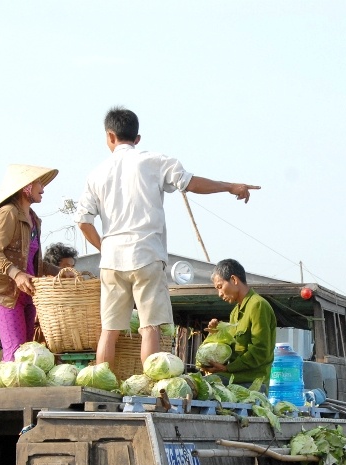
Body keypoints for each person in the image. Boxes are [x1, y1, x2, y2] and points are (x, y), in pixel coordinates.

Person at [75, 107, 260, 367]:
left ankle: (101, 383)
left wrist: (105, 248)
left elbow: (83, 222)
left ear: (109, 136)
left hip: (112, 259)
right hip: (147, 254)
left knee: (110, 329)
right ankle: (151, 386)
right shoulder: (154, 161)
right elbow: (191, 183)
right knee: (149, 327)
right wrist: (230, 187)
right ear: (137, 139)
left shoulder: (96, 174)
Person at [0, 164, 60, 361]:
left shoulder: (33, 219)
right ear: (26, 187)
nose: (43, 189)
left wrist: (60, 272)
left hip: (28, 293)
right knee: (16, 352)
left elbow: (35, 263)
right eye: (39, 184)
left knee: (28, 354)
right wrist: (16, 274)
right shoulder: (8, 213)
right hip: (5, 294)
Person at [201, 259, 276, 386]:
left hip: (252, 381)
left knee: (206, 384)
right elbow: (229, 349)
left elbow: (260, 352)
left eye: (220, 287)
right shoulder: (235, 313)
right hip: (233, 377)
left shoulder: (258, 305)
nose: (219, 294)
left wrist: (228, 368)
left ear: (234, 280)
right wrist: (215, 335)